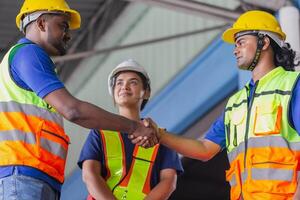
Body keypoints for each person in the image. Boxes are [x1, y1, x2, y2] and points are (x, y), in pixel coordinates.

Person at [0, 1, 158, 199]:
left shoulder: (25, 62)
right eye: (63, 26)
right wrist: (134, 127)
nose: (68, 34)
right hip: (22, 176)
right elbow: (73, 110)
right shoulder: (28, 54)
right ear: (41, 23)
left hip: (33, 176)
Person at [137, 10, 300, 200]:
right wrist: (159, 134)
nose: (235, 50)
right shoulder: (236, 103)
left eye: (241, 42)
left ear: (264, 42)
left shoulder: (292, 86)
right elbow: (204, 149)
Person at [78, 59, 183, 200]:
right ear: (113, 92)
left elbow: (169, 181)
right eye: (119, 83)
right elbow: (89, 174)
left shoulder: (161, 137)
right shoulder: (100, 133)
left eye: (133, 82)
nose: (124, 87)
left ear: (146, 93)